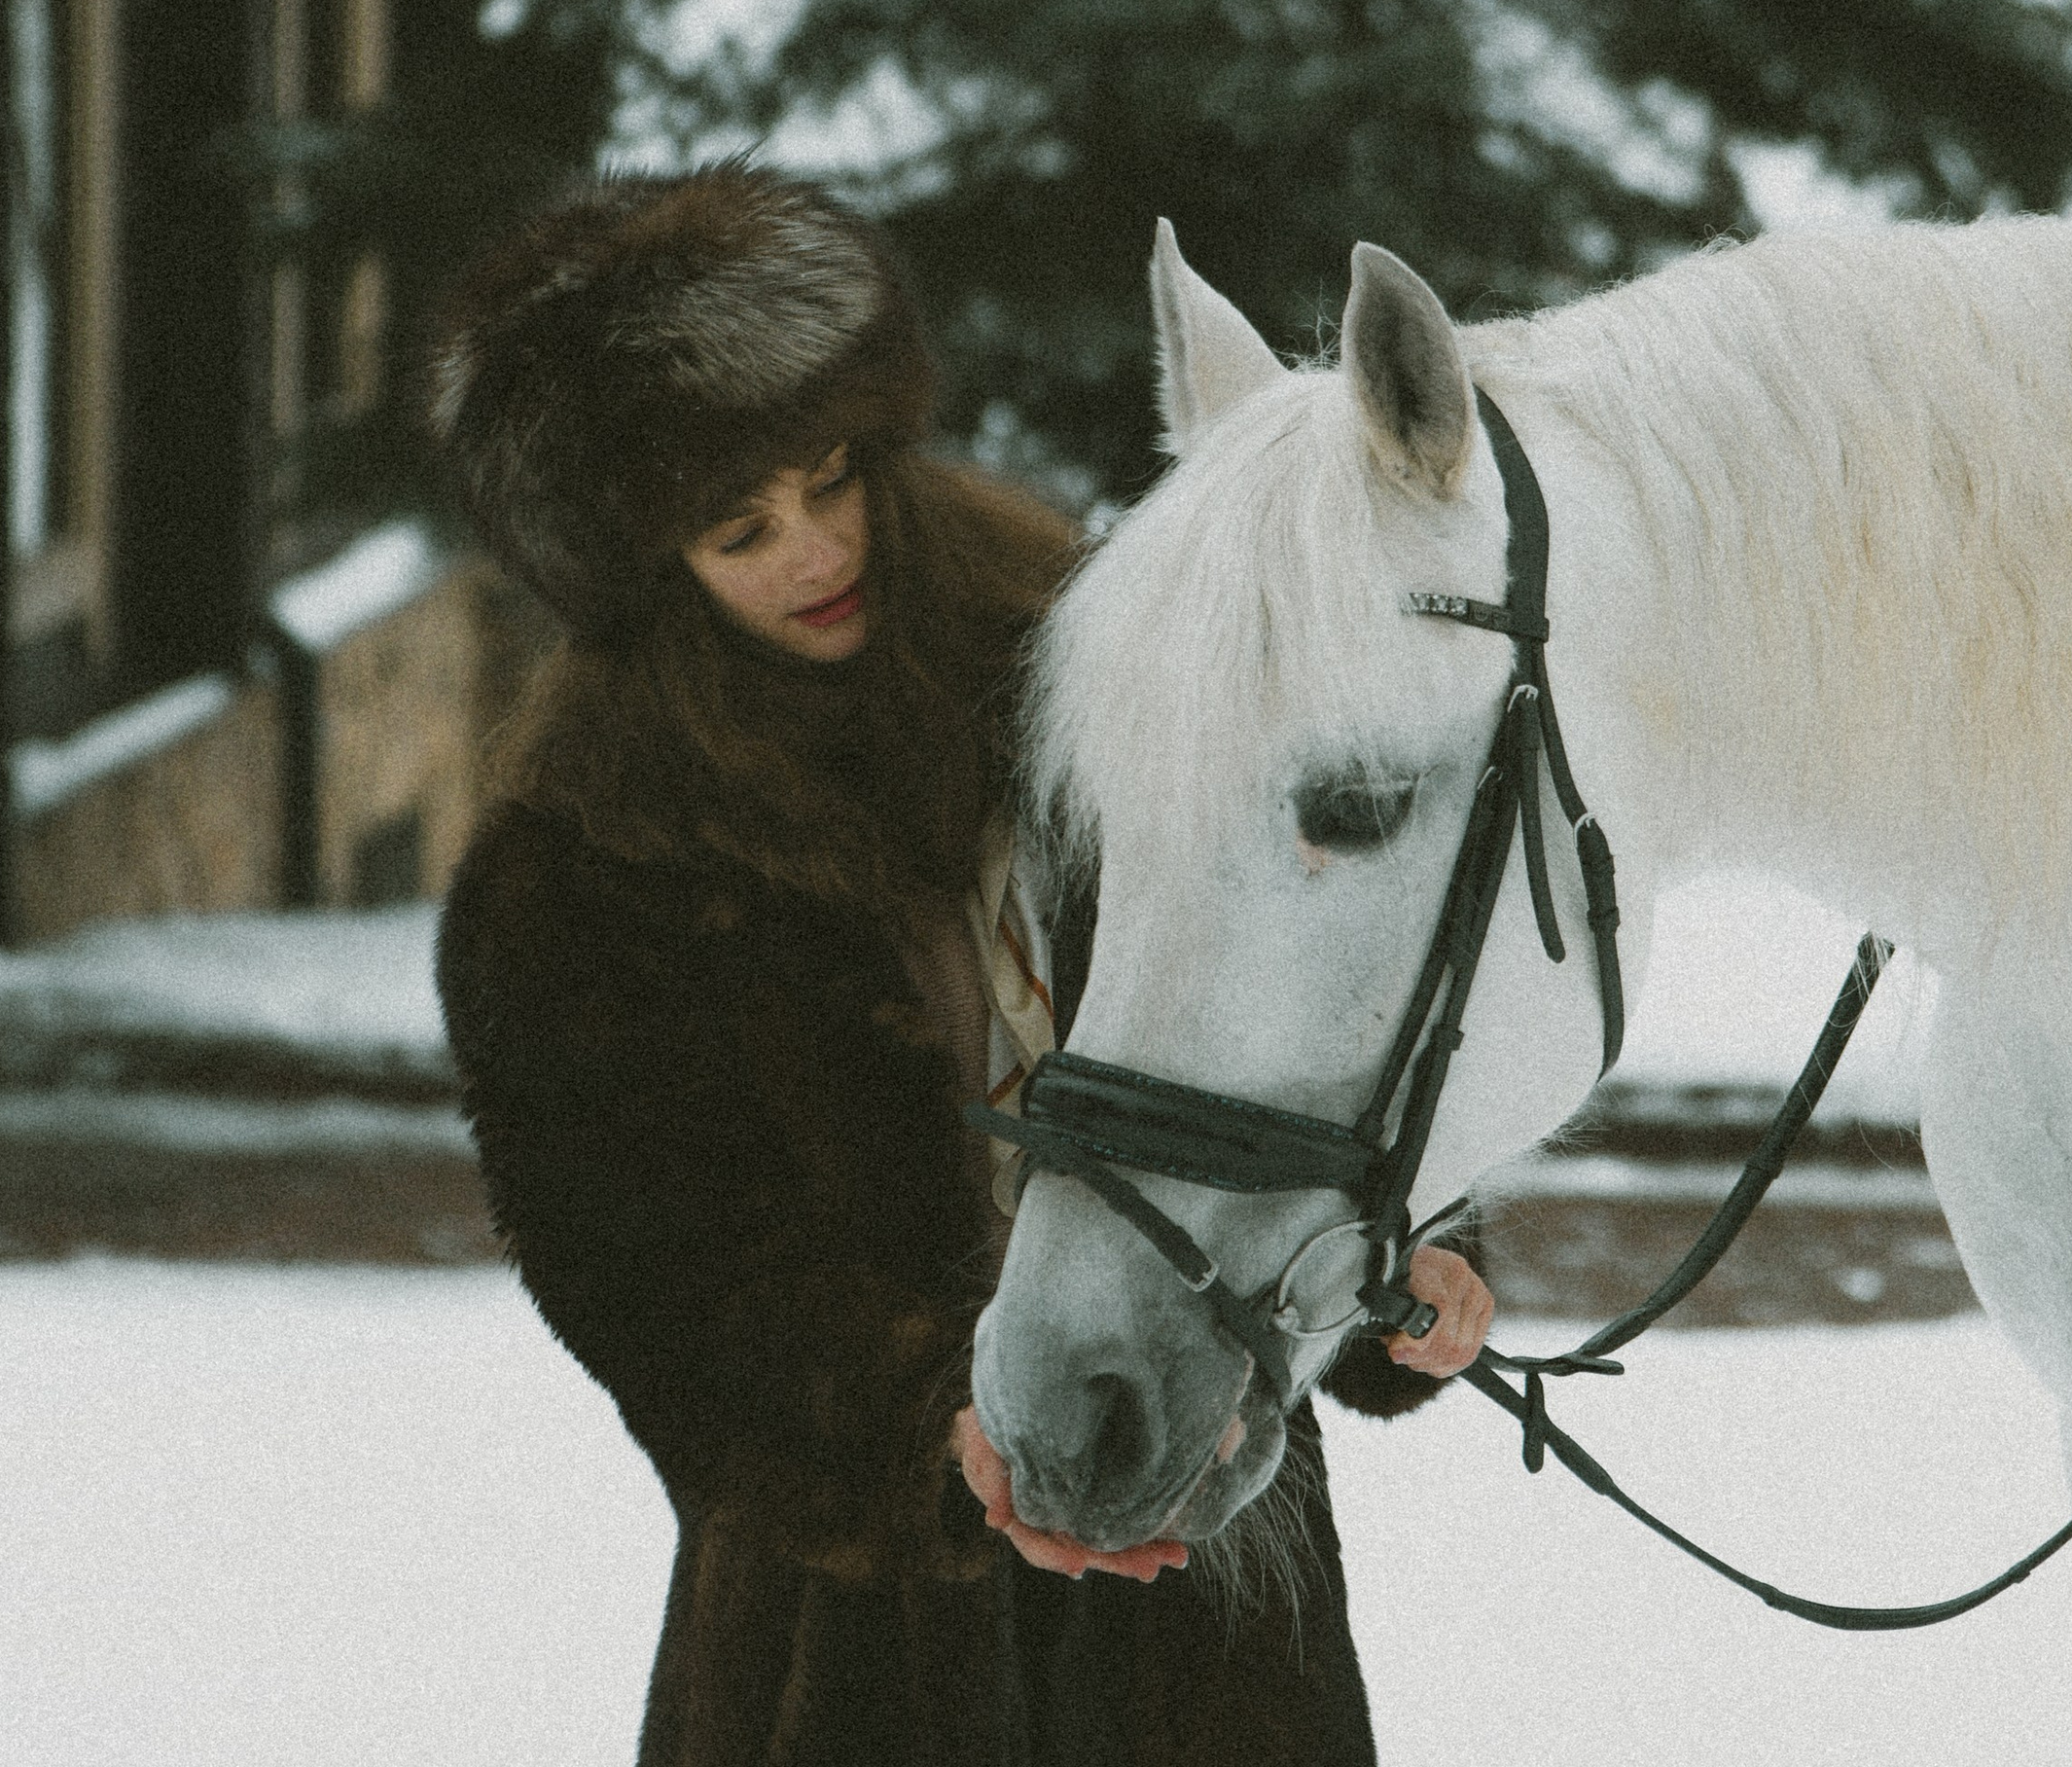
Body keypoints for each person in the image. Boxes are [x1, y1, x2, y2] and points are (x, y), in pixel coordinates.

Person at [427, 162, 1494, 1767]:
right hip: (856, 1637)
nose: (812, 547)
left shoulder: (1098, 671)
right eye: (739, 527)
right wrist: (941, 1435)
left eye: (830, 476)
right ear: (650, 570)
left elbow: (1287, 996)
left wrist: (1417, 1255)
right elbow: (662, 1290)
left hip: (1209, 1574)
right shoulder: (581, 879)